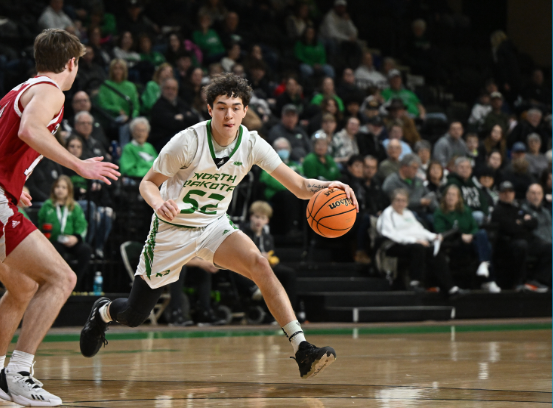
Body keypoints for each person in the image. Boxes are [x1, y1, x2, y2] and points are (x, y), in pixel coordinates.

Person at [79, 73, 357, 380]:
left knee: (260, 264)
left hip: (213, 225)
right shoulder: (187, 142)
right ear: (210, 109)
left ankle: (303, 349)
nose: (229, 114)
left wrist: (329, 185)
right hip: (172, 229)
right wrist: (159, 204)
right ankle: (102, 311)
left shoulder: (252, 144)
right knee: (133, 315)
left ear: (244, 109)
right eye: (221, 107)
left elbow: (301, 186)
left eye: (235, 107)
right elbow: (147, 184)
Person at [0, 29, 119, 405]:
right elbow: (29, 130)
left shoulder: (18, 90)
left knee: (24, 287)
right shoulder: (50, 91)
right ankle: (19, 372)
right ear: (72, 62)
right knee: (62, 278)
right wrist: (78, 164)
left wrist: (11, 179)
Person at [377, 189, 462, 296]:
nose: (400, 203)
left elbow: (419, 230)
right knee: (418, 248)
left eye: (403, 201)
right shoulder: (388, 213)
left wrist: (434, 236)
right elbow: (390, 234)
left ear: (407, 203)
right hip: (392, 244)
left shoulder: (408, 214)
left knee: (434, 251)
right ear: (392, 201)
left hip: (413, 244)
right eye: (397, 200)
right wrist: (414, 241)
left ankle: (450, 287)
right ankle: (415, 282)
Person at [241, 201, 304, 320]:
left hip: (266, 266)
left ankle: (290, 312)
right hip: (249, 266)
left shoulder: (268, 237)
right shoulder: (243, 234)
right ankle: (254, 289)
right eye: (256, 217)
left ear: (267, 221)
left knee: (289, 274)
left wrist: (270, 259)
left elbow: (271, 254)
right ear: (251, 217)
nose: (259, 221)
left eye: (262, 218)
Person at [433, 185, 500, 293]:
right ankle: (488, 279)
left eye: (453, 195)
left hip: (469, 240)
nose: (451, 197)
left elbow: (474, 227)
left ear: (458, 198)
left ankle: (484, 266)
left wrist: (470, 235)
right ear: (444, 197)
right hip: (453, 243)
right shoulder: (439, 212)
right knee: (487, 245)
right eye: (448, 194)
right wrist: (461, 235)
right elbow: (440, 231)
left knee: (482, 234)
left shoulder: (465, 210)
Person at [491, 182, 549, 292]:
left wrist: (519, 222)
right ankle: (519, 282)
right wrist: (523, 222)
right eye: (504, 192)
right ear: (500, 194)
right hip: (508, 243)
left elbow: (534, 222)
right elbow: (510, 229)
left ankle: (538, 281)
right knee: (521, 246)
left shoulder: (517, 208)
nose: (508, 194)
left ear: (514, 194)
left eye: (510, 192)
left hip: (527, 240)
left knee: (549, 247)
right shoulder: (498, 210)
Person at [37, 176, 92, 290]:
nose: (60, 190)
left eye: (64, 187)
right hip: (53, 241)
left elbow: (82, 224)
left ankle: (75, 284)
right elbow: (40, 223)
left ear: (69, 191)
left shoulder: (74, 207)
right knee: (57, 251)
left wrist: (76, 238)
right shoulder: (47, 206)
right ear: (53, 189)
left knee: (86, 250)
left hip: (71, 241)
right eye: (57, 187)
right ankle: (58, 284)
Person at [260, 138, 305, 235]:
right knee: (289, 195)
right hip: (276, 195)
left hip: (293, 193)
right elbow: (270, 180)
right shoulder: (268, 164)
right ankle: (291, 229)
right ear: (274, 150)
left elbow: (303, 179)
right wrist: (293, 186)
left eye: (285, 148)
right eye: (280, 148)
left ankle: (305, 231)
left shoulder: (295, 165)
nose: (283, 151)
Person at [382, 154, 437, 219]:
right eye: (414, 168)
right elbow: (397, 202)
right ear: (404, 167)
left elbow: (428, 195)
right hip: (401, 213)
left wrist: (440, 211)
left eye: (417, 168)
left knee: (435, 218)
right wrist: (420, 202)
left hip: (422, 212)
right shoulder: (392, 182)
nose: (416, 171)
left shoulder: (418, 180)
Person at [149, 78, 197, 151]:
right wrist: (186, 116)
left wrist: (182, 116)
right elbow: (172, 125)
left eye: (174, 89)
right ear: (162, 89)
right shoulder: (158, 106)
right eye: (167, 88)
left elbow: (195, 118)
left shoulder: (180, 103)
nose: (170, 91)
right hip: (163, 142)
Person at [96, 58, 140, 123]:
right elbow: (102, 104)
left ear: (125, 71)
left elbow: (136, 107)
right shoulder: (106, 85)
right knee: (123, 120)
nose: (118, 71)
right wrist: (117, 109)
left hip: (130, 119)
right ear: (111, 70)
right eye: (115, 68)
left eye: (121, 68)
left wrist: (131, 117)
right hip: (112, 118)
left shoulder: (131, 86)